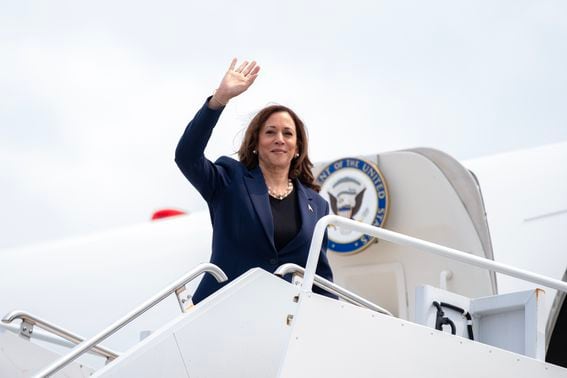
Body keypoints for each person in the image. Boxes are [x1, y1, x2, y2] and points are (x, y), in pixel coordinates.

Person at [175, 58, 335, 304]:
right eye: (270, 132)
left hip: (282, 321)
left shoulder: (317, 205)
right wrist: (219, 100)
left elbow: (319, 277)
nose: (279, 139)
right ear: (256, 144)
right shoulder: (229, 179)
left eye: (287, 133)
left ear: (297, 147)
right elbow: (187, 156)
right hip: (223, 311)